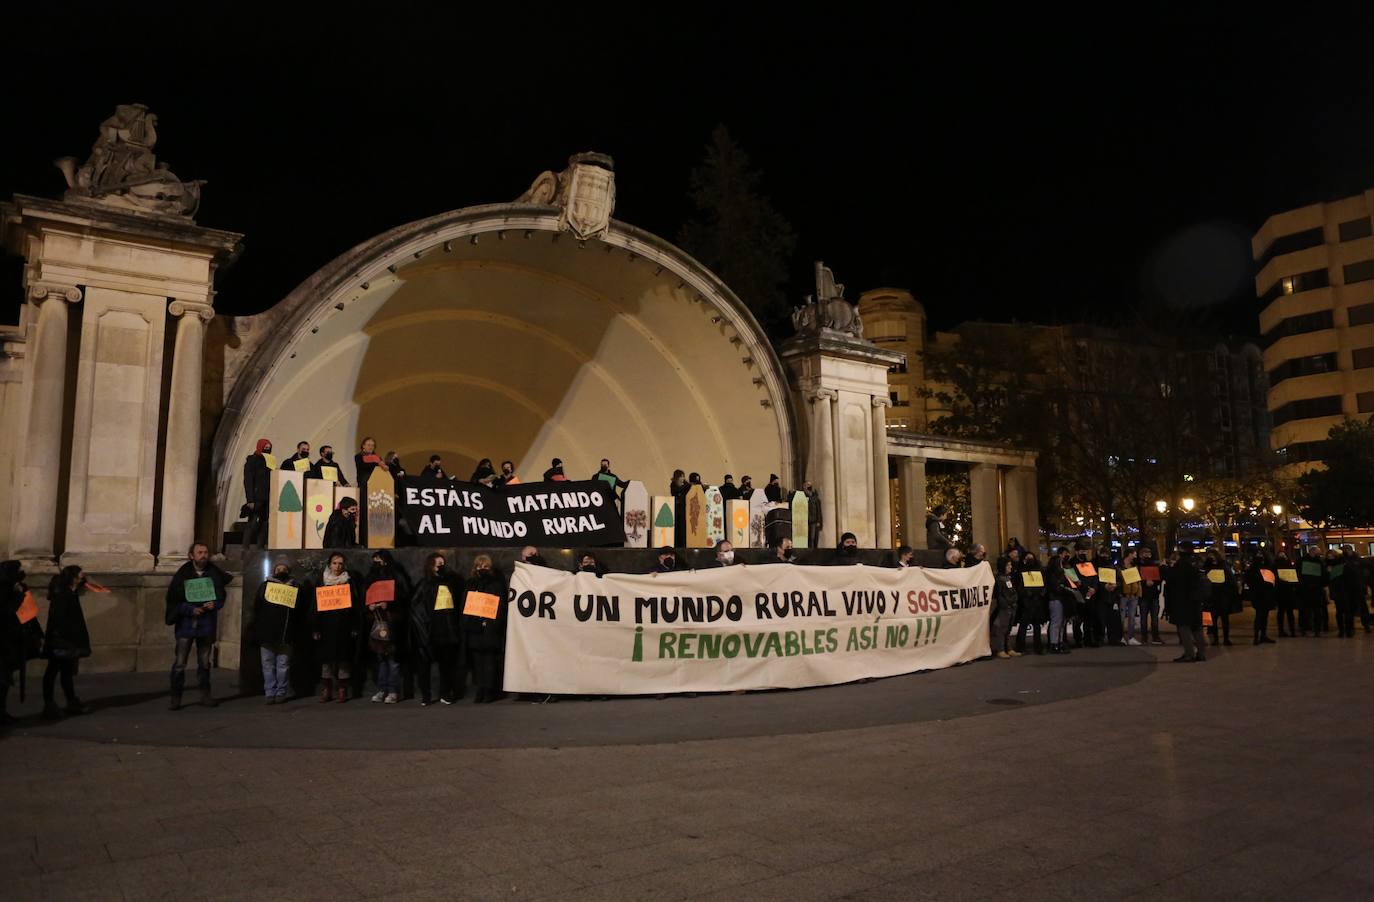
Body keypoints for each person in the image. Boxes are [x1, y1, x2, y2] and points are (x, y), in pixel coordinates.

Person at [165, 541, 231, 710]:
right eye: (200, 552)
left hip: (206, 625)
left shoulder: (213, 573)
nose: (203, 555)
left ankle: (205, 695)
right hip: (186, 625)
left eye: (206, 552)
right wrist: (190, 609)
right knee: (180, 663)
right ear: (191, 556)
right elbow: (174, 600)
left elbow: (221, 596)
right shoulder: (182, 575)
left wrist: (214, 604)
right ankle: (176, 697)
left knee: (204, 662)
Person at [409, 552, 463, 705]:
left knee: (446, 665)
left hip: (446, 630)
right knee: (424, 665)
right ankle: (426, 695)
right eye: (437, 563)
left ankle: (445, 693)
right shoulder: (424, 583)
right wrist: (424, 625)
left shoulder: (450, 583)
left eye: (442, 563)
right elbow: (415, 606)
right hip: (429, 631)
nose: (440, 565)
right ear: (430, 565)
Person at [40, 565, 92, 720]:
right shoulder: (63, 595)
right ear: (74, 577)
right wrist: (66, 639)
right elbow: (61, 620)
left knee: (65, 673)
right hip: (61, 641)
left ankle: (70, 701)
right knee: (54, 672)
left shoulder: (69, 593)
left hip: (64, 640)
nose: (83, 578)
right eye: (81, 576)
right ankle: (50, 704)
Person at [310, 552, 361, 702]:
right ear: (329, 564)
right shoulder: (322, 581)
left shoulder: (349, 582)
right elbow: (315, 606)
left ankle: (342, 689)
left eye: (340, 563)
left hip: (344, 625)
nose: (337, 566)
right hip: (326, 626)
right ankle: (327, 689)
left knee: (343, 659)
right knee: (326, 660)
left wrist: (354, 626)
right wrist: (315, 628)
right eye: (334, 563)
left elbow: (355, 606)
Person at [1, 561, 43, 725]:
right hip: (3, 642)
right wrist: (18, 595)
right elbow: (8, 612)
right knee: (2, 680)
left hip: (9, 642)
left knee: (5, 680)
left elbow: (26, 613)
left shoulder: (13, 589)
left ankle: (2, 712)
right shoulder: (5, 590)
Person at [462, 555, 508, 704]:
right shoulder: (471, 583)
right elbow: (465, 605)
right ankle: (480, 689)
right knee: (477, 662)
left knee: (489, 661)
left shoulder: (496, 584)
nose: (482, 569)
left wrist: (492, 623)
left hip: (490, 628)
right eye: (479, 566)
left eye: (485, 566)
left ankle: (489, 690)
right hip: (475, 628)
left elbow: (501, 607)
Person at [364, 550, 408, 703]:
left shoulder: (396, 575)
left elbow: (404, 594)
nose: (376, 562)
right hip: (376, 621)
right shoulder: (370, 577)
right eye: (374, 559)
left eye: (379, 559)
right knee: (380, 658)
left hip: (392, 621)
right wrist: (369, 606)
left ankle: (393, 690)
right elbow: (365, 595)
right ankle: (382, 689)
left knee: (392, 659)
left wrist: (389, 603)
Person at [253, 556, 298, 704]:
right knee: (267, 665)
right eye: (278, 568)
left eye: (284, 569)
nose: (281, 571)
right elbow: (257, 608)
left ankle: (281, 692)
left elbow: (300, 610)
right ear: (274, 570)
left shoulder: (295, 587)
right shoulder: (264, 586)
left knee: (283, 665)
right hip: (267, 633)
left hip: (286, 634)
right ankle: (269, 692)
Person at [1164, 552, 1206, 663]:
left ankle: (1189, 654)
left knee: (1184, 629)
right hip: (1195, 603)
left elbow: (1170, 583)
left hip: (1182, 604)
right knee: (1197, 628)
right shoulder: (1196, 568)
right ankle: (1201, 653)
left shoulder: (1178, 569)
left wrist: (1165, 568)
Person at [242, 437, 273, 549]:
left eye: (269, 448)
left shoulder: (270, 462)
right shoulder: (252, 461)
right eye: (265, 447)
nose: (267, 450)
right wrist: (250, 499)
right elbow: (248, 481)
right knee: (253, 523)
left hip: (268, 498)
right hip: (257, 498)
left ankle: (259, 549)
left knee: (264, 525)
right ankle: (245, 549)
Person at [1015, 551, 1048, 654]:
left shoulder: (1040, 571)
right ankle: (1020, 646)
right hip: (1027, 601)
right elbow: (1019, 587)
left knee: (1037, 625)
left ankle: (1038, 646)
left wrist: (1041, 594)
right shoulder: (1021, 571)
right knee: (1024, 624)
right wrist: (1026, 594)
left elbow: (1044, 584)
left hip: (1037, 600)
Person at [1204, 550, 1236, 647]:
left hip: (1222, 596)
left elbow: (1230, 580)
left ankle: (1226, 638)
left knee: (1224, 619)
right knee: (1213, 620)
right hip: (1212, 597)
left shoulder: (1224, 566)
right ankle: (1216, 639)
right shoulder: (1207, 567)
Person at [1332, 548, 1366, 638]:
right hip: (1346, 591)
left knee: (1343, 612)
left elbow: (1334, 579)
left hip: (1344, 591)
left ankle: (1344, 631)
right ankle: (1347, 630)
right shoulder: (1350, 564)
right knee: (1346, 612)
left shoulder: (1341, 564)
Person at [991, 557, 1021, 659]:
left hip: (1012, 606)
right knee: (1001, 629)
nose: (1010, 567)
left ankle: (1008, 648)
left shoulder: (1008, 577)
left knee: (1008, 629)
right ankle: (1000, 649)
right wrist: (1006, 604)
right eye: (1008, 565)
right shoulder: (999, 579)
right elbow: (999, 594)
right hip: (1005, 607)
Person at [1044, 549, 1072, 654]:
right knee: (1056, 622)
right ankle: (1054, 643)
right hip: (1055, 598)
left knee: (1061, 622)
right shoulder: (1053, 574)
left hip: (1060, 598)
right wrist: (1065, 588)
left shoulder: (1059, 573)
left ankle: (1059, 642)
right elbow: (1055, 587)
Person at [1247, 551, 1277, 645]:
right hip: (1259, 595)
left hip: (1266, 594)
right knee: (1259, 616)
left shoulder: (1268, 567)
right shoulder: (1253, 568)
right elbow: (1249, 581)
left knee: (1264, 616)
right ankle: (1257, 636)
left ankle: (1263, 635)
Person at [1296, 548, 1326, 636]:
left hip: (1315, 589)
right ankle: (1305, 628)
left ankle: (1316, 629)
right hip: (1306, 589)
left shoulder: (1318, 561)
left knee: (1315, 611)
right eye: (1317, 553)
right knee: (1305, 611)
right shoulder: (1304, 561)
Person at [1139, 546, 1165, 645]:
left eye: (1148, 553)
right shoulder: (1139, 566)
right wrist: (1145, 582)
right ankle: (1144, 637)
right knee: (1143, 618)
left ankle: (1155, 637)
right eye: (1145, 553)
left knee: (1154, 619)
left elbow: (1160, 578)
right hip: (1144, 595)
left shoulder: (1155, 565)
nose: (1147, 555)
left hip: (1153, 595)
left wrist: (1154, 582)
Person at [1119, 548, 1143, 646]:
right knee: (1121, 617)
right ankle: (1120, 637)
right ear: (1129, 555)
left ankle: (1131, 637)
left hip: (1133, 595)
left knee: (1132, 617)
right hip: (1124, 595)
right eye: (1134, 554)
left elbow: (1137, 581)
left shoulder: (1134, 566)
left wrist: (1138, 592)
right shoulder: (1119, 567)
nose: (1135, 556)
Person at [1273, 552, 1297, 637]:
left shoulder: (1275, 566)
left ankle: (1282, 630)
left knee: (1282, 612)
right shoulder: (1289, 565)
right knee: (1288, 613)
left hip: (1281, 592)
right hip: (1287, 591)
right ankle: (1292, 630)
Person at [803, 482, 821, 549]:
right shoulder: (802, 496)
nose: (809, 486)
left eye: (810, 485)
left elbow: (818, 510)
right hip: (803, 520)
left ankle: (812, 550)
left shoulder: (815, 498)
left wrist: (818, 521)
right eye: (807, 485)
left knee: (812, 537)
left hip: (813, 520)